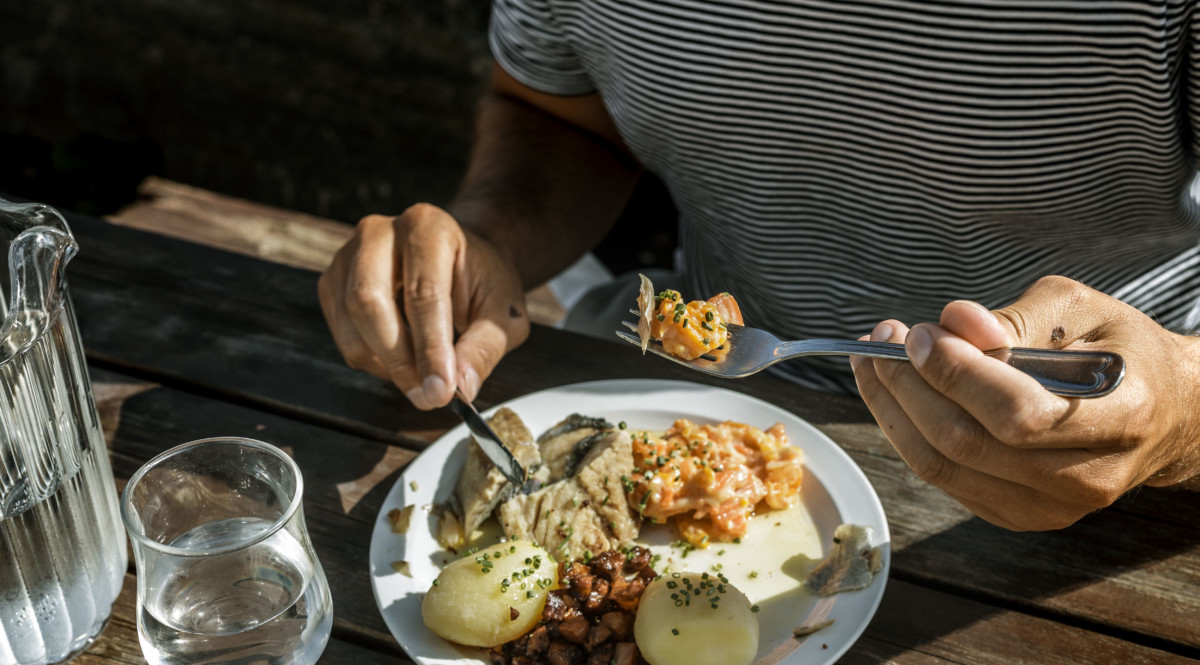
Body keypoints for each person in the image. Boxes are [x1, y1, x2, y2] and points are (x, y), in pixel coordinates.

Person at [318, 0, 1200, 531]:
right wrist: (492, 236)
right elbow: (557, 114)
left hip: (1103, 472)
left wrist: (1177, 415)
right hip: (722, 397)